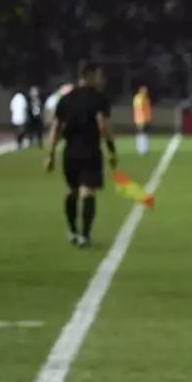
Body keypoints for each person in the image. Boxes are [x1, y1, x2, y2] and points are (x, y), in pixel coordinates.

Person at [46, 63, 115, 248]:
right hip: (91, 150)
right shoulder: (99, 99)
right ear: (90, 76)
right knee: (88, 192)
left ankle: (72, 229)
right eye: (99, 75)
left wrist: (51, 155)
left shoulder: (67, 99)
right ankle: (85, 235)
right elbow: (103, 125)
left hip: (70, 151)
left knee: (73, 191)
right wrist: (111, 150)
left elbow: (55, 128)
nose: (101, 79)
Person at [133, 85, 152, 155]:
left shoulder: (146, 99)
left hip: (146, 119)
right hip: (140, 119)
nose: (146, 92)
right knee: (141, 134)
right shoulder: (138, 98)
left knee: (145, 134)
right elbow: (139, 107)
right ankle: (141, 149)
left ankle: (145, 148)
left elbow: (148, 109)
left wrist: (149, 117)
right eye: (144, 91)